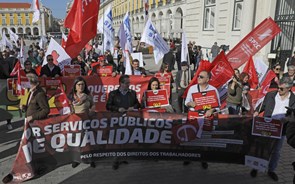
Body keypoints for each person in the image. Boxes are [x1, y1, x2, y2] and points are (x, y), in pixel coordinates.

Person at [250, 77, 295, 181]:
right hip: (267, 125)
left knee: (276, 151)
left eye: (282, 89)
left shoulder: (293, 99)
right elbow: (263, 105)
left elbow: (294, 116)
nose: (279, 90)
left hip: (281, 129)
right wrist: (257, 111)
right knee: (262, 148)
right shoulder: (271, 95)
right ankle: (256, 167)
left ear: (289, 88)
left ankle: (271, 170)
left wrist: (287, 119)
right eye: (278, 87)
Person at [184, 70, 220, 169]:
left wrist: (212, 110)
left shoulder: (213, 90)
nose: (198, 78)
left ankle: (204, 159)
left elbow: (218, 106)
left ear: (207, 79)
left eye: (201, 77)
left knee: (204, 139)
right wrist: (190, 103)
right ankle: (188, 157)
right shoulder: (192, 88)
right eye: (198, 76)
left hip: (206, 117)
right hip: (193, 116)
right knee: (191, 136)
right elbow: (186, 101)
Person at [106, 75, 141, 170]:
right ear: (121, 83)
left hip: (129, 119)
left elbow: (138, 104)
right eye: (126, 83)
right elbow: (108, 106)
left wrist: (133, 107)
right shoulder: (113, 94)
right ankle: (116, 160)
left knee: (126, 138)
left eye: (129, 83)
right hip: (117, 119)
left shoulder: (132, 93)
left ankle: (124, 156)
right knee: (117, 140)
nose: (128, 85)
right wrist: (117, 108)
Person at [68, 77, 96, 168]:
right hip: (75, 122)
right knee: (76, 141)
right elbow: (66, 107)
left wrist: (92, 110)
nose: (81, 86)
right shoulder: (71, 96)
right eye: (79, 84)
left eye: (83, 84)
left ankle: (90, 158)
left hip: (86, 120)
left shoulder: (88, 95)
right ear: (75, 86)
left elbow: (93, 105)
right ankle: (76, 159)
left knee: (87, 140)